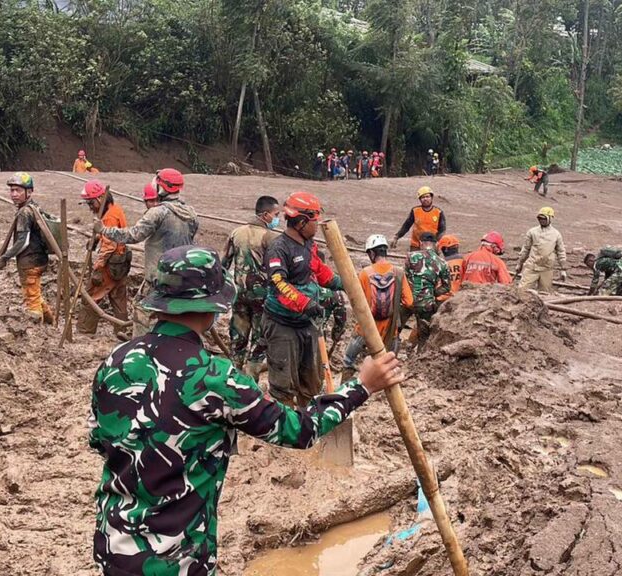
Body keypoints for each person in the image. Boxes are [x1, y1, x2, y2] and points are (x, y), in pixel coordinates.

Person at [89, 245, 404, 576]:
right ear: (213, 308)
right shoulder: (214, 377)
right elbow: (299, 430)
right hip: (176, 559)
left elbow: (99, 440)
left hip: (114, 546)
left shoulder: (116, 361)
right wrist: (363, 386)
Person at [262, 191, 345, 406]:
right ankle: (284, 431)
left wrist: (343, 282)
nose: (317, 226)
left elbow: (317, 269)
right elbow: (279, 284)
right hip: (283, 324)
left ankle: (309, 424)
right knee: (283, 385)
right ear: (301, 222)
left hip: (307, 323)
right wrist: (305, 303)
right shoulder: (278, 248)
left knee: (312, 382)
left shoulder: (309, 244)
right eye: (314, 221)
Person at [96, 168, 199, 334]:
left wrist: (104, 230)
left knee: (143, 311)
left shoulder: (157, 213)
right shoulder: (192, 214)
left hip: (159, 276)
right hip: (182, 276)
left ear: (162, 188)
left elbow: (133, 235)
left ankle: (141, 346)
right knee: (173, 315)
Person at [222, 195, 281, 377]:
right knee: (259, 342)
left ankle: (232, 381)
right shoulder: (271, 238)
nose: (277, 218)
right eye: (276, 214)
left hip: (239, 294)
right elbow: (277, 271)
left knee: (237, 340)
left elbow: (224, 264)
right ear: (265, 215)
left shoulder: (236, 233)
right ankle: (250, 385)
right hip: (262, 298)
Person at [341, 234, 413, 382]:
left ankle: (344, 393)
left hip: (365, 328)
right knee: (390, 365)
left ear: (371, 253)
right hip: (390, 330)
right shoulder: (398, 272)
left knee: (348, 360)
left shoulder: (365, 273)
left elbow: (355, 300)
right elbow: (409, 302)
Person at [0, 172, 55, 324]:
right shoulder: (34, 207)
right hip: (40, 259)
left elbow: (22, 242)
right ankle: (52, 323)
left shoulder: (25, 212)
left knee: (32, 302)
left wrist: (4, 258)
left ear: (29, 192)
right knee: (36, 295)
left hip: (30, 263)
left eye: (18, 190)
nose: (14, 194)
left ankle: (36, 333)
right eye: (12, 190)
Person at [77, 180, 131, 337]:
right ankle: (122, 331)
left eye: (91, 203)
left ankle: (85, 331)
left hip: (110, 263)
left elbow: (109, 246)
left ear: (99, 199)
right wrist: (96, 239)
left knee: (91, 296)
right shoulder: (115, 210)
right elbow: (109, 235)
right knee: (119, 298)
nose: (90, 207)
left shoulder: (109, 217)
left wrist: (98, 268)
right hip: (121, 262)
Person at [402, 232, 451, 348]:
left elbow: (405, 277)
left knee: (395, 329)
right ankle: (418, 361)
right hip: (427, 303)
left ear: (420, 243)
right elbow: (447, 287)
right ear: (436, 244)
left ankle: (388, 357)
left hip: (408, 300)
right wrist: (432, 292)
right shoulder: (442, 263)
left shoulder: (410, 256)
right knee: (423, 336)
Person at [515, 207, 568, 293]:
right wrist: (519, 264)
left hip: (547, 269)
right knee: (521, 291)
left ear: (550, 218)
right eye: (540, 218)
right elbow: (526, 249)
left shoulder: (556, 234)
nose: (542, 220)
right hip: (532, 267)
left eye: (544, 218)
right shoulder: (532, 232)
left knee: (545, 293)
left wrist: (563, 269)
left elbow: (561, 252)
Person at [391, 186, 446, 251]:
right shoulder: (415, 211)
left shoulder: (438, 212)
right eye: (423, 197)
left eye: (427, 196)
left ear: (431, 197)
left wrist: (436, 242)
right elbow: (406, 226)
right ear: (420, 199)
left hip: (431, 245)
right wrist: (396, 237)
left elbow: (442, 230)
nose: (425, 199)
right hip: (416, 245)